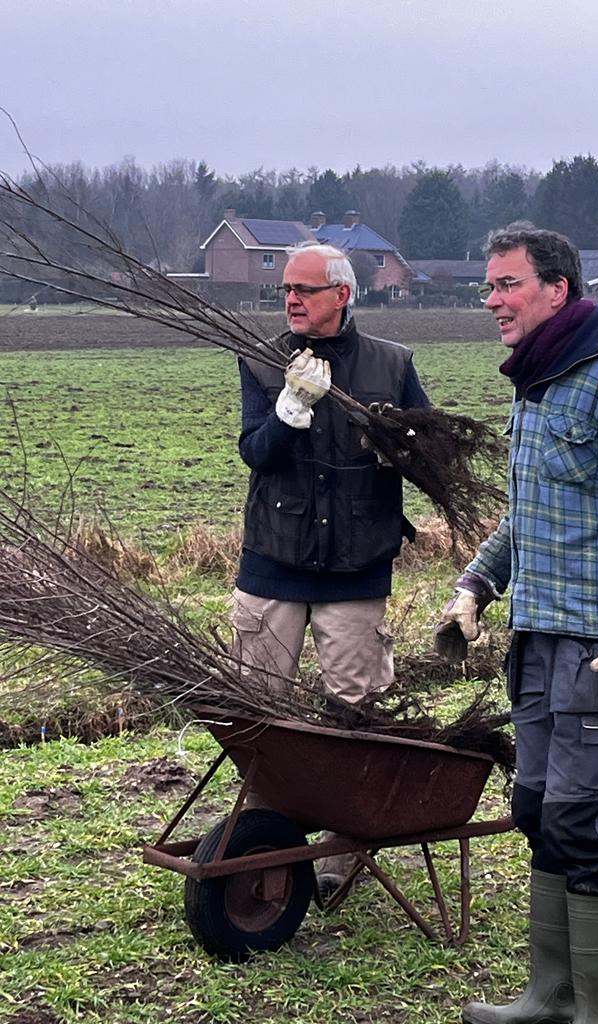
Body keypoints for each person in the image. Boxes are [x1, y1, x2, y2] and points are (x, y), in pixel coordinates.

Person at [435, 224, 598, 1024]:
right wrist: (477, 583)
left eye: (507, 284)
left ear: (557, 289)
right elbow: (530, 514)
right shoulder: (537, 381)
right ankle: (548, 998)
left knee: (578, 823)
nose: (492, 300)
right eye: (488, 286)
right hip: (536, 641)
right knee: (536, 812)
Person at [232, 241, 429, 892]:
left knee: (355, 711)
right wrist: (289, 411)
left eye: (304, 290)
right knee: (260, 715)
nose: (290, 299)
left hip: (356, 566)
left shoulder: (392, 364)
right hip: (274, 562)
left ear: (341, 295)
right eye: (285, 289)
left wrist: (395, 441)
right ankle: (266, 841)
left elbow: (426, 455)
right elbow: (255, 453)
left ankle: (346, 848)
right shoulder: (262, 359)